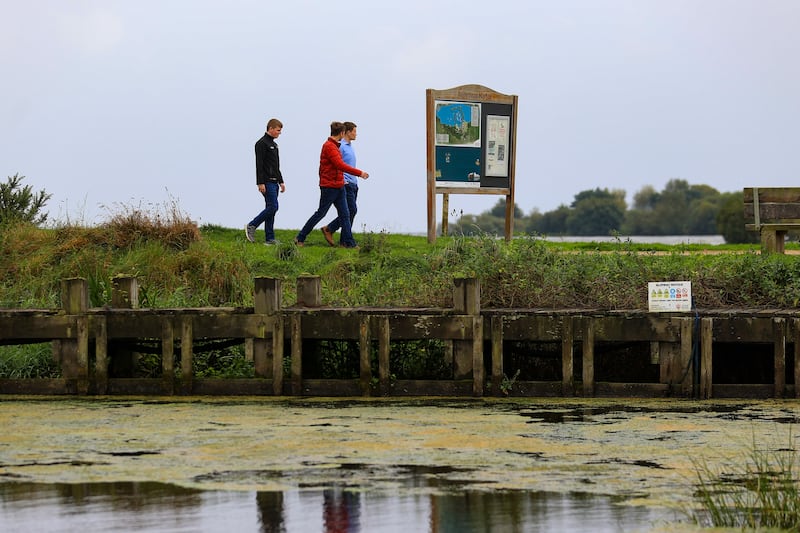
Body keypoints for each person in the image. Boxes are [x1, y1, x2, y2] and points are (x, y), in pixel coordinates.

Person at [294, 122, 369, 248]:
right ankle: (300, 237)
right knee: (321, 213)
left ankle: (349, 243)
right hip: (330, 187)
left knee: (346, 215)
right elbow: (340, 165)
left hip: (339, 186)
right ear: (341, 133)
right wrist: (359, 173)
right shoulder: (329, 146)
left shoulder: (335, 146)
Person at [321, 121, 365, 247]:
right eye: (354, 131)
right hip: (345, 183)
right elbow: (338, 165)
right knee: (351, 210)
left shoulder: (350, 146)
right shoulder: (340, 147)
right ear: (347, 132)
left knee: (349, 212)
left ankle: (342, 240)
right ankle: (333, 231)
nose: (356, 134)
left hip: (353, 183)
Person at [245, 118, 285, 245]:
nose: (280, 133)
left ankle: (270, 238)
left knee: (271, 209)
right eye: (278, 130)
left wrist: (281, 181)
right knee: (273, 206)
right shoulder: (261, 143)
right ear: (271, 128)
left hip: (275, 181)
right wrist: (260, 183)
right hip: (266, 182)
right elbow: (259, 164)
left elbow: (276, 165)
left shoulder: (274, 144)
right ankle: (252, 225)